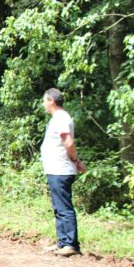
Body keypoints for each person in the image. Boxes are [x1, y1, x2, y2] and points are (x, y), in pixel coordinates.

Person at [41, 88, 86, 257]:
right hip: (55, 169)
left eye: (45, 101)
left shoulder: (61, 118)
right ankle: (62, 242)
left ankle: (70, 244)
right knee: (58, 207)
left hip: (61, 169)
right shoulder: (58, 118)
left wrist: (75, 161)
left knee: (64, 207)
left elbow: (68, 141)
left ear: (51, 101)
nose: (44, 104)